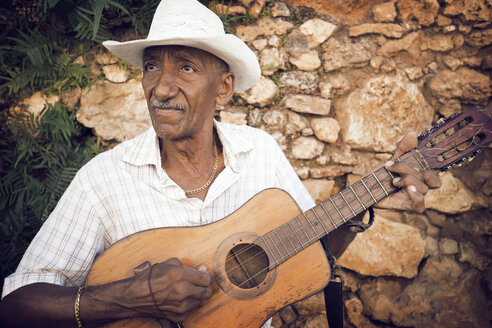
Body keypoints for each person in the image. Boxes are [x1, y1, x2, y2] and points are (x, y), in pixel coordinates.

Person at [0, 0, 441, 327]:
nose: (161, 87)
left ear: (224, 87)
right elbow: (15, 305)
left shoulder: (260, 152)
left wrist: (371, 200)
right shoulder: (103, 180)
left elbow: (313, 251)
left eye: (186, 68)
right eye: (151, 67)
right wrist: (130, 298)